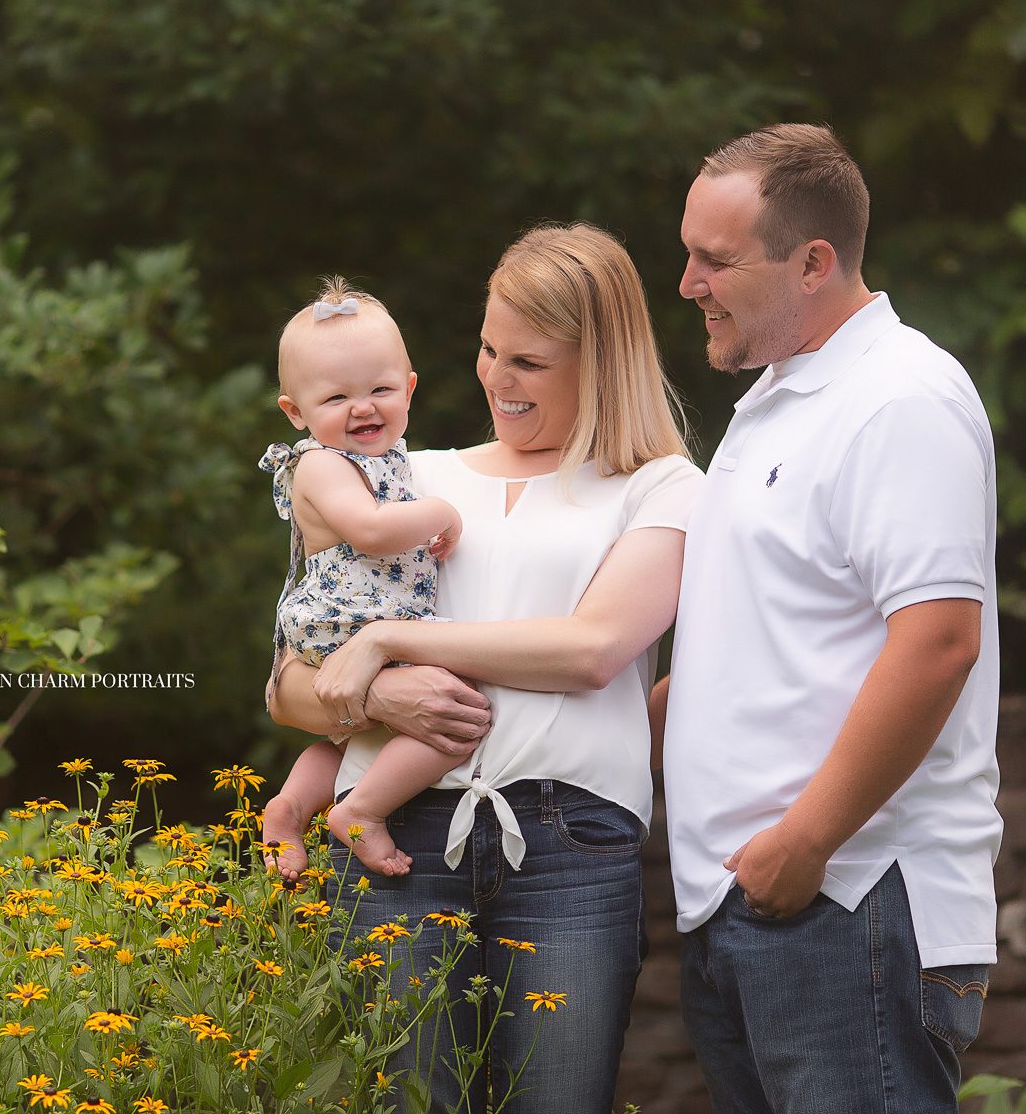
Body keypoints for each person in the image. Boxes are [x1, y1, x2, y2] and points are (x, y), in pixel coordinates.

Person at [270, 223, 703, 1112]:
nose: (498, 379)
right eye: (488, 349)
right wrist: (383, 692)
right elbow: (290, 685)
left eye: (530, 362)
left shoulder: (660, 487)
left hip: (569, 843)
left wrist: (390, 644)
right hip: (392, 830)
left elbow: (592, 651)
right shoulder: (402, 478)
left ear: (601, 363)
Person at [663, 123, 1000, 1113]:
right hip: (751, 904)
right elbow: (755, 652)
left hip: (850, 899)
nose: (687, 284)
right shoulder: (777, 400)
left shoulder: (898, 398)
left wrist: (806, 840)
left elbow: (939, 643)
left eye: (715, 260)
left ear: (813, 264)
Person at [257, 278, 469, 879]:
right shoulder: (320, 464)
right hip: (349, 622)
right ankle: (362, 811)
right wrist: (441, 513)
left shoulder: (389, 460)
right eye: (336, 397)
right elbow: (371, 531)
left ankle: (290, 807)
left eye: (380, 389)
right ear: (295, 413)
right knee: (455, 715)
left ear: (410, 388)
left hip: (363, 623)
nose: (363, 407)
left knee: (349, 740)